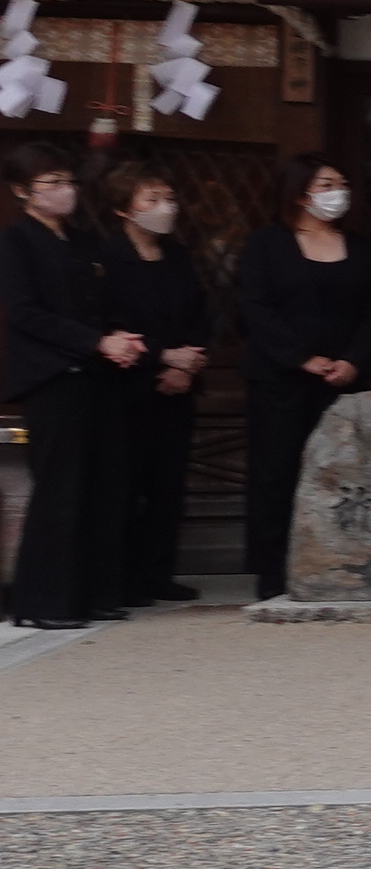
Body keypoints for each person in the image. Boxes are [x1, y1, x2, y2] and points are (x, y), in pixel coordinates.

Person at [2, 145, 146, 631]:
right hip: (53, 377)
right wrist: (94, 341)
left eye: (68, 181)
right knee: (60, 490)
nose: (65, 191)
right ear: (22, 191)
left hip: (99, 375)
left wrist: (120, 338)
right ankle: (44, 602)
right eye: (52, 183)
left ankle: (96, 593)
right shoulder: (16, 242)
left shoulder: (84, 241)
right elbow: (25, 313)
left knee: (104, 485)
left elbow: (103, 301)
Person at [234, 153, 371, 606]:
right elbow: (256, 309)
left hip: (343, 381)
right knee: (276, 473)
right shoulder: (266, 245)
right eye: (326, 184)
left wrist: (353, 361)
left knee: (346, 476)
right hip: (280, 379)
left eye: (341, 183)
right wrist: (300, 358)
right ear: (300, 194)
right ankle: (273, 572)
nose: (337, 192)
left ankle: (341, 565)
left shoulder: (364, 249)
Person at [96, 162, 212, 607]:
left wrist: (186, 365)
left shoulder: (178, 255)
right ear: (124, 209)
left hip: (177, 388)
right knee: (126, 486)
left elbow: (201, 314)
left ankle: (159, 573)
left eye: (170, 199)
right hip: (127, 387)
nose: (166, 208)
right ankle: (123, 578)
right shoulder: (107, 257)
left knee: (168, 486)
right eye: (153, 199)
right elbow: (108, 323)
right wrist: (162, 357)